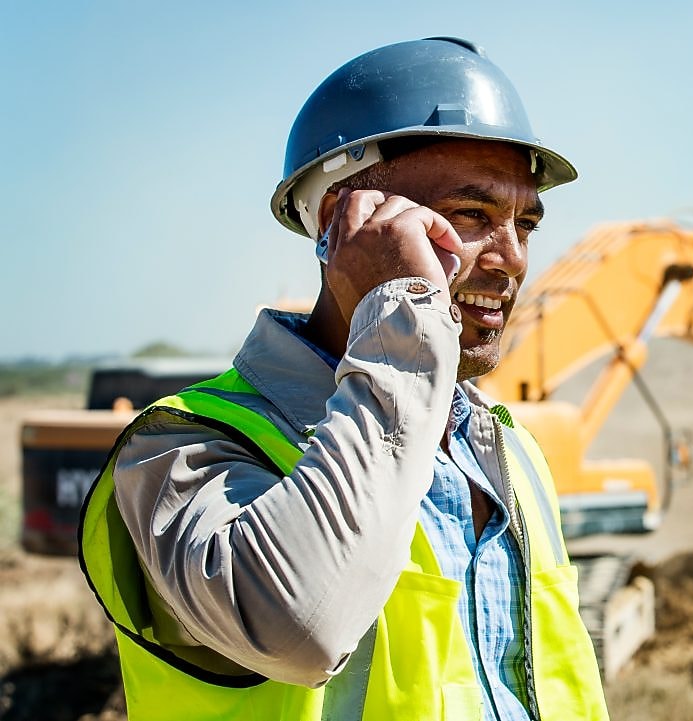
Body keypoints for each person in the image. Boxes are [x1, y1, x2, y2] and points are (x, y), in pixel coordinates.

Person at [79, 37, 610, 721]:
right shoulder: (183, 450)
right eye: (472, 215)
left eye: (525, 224)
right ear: (340, 221)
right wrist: (402, 316)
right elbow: (302, 627)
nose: (512, 258)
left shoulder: (509, 450)